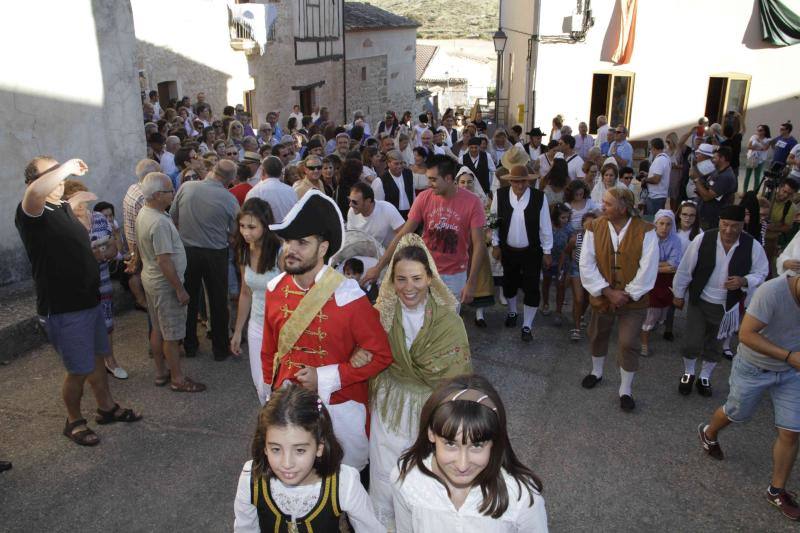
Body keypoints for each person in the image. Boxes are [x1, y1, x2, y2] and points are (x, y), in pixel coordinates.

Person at [260, 190, 393, 470]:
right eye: (287, 242)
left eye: (302, 243)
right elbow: (269, 352)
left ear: (323, 249)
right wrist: (270, 396)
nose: (291, 250)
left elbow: (381, 354)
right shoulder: (275, 290)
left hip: (340, 407)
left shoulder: (350, 297)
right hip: (289, 404)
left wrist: (325, 377)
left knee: (345, 483)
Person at [16, 156, 142, 446]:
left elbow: (74, 247)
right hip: (63, 307)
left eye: (59, 171)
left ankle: (106, 408)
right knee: (79, 369)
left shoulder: (61, 208)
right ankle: (73, 421)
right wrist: (68, 168)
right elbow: (35, 193)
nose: (59, 177)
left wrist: (99, 253)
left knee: (99, 358)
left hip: (89, 299)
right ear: (33, 181)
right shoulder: (32, 211)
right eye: (52, 173)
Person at [366, 235, 472, 528]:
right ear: (392, 280)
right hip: (389, 406)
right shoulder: (382, 316)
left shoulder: (449, 322)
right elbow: (366, 355)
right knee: (386, 473)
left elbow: (457, 376)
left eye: (416, 278)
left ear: (429, 278)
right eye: (401, 279)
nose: (408, 287)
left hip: (432, 409)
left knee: (426, 474)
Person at [697, 274, 800, 522]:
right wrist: (787, 356)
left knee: (791, 431)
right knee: (736, 412)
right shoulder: (771, 292)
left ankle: (776, 491)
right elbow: (746, 334)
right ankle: (709, 432)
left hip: (791, 373)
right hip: (754, 368)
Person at [391, 374, 547, 532]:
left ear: (495, 440)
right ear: (431, 433)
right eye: (451, 444)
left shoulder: (521, 498)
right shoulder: (407, 480)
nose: (462, 465)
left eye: (477, 446)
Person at [233, 384, 383, 532]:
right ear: (265, 447)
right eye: (276, 449)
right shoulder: (252, 478)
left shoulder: (344, 483)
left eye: (299, 450)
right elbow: (245, 529)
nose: (287, 463)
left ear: (319, 448)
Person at [362, 155, 487, 311]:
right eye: (428, 179)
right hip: (423, 271)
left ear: (448, 178)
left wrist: (472, 282)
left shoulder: (473, 202)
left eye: (433, 179)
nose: (429, 184)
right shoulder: (424, 198)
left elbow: (479, 244)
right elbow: (402, 235)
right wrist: (379, 267)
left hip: (455, 275)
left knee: (447, 327)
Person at [672, 205, 769, 397]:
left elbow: (762, 272)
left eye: (735, 226)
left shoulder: (752, 245)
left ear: (743, 224)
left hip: (727, 306)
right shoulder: (703, 239)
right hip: (700, 300)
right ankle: (689, 372)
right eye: (725, 225)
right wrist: (678, 294)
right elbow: (685, 269)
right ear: (719, 222)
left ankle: (705, 376)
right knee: (692, 341)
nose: (729, 230)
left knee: (715, 345)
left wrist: (744, 281)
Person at [579, 188, 659, 412]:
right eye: (604, 203)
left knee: (627, 343)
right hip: (602, 296)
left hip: (633, 300)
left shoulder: (646, 231)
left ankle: (625, 389)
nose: (602, 207)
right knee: (597, 334)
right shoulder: (593, 227)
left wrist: (628, 293)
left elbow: (649, 267)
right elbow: (586, 263)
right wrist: (607, 291)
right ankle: (597, 372)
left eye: (608, 204)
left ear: (623, 208)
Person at [136, 172, 206, 392]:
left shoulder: (145, 213)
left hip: (151, 280)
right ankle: (177, 378)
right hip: (165, 285)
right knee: (173, 335)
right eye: (169, 191)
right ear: (157, 195)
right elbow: (164, 260)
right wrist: (179, 289)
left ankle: (160, 372)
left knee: (157, 328)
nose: (173, 194)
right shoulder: (159, 222)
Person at [170, 160, 239, 360]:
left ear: (212, 171)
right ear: (230, 180)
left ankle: (190, 345)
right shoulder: (228, 198)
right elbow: (235, 232)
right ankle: (220, 348)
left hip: (188, 250)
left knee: (189, 299)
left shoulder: (186, 187)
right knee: (218, 301)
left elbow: (173, 217)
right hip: (215, 253)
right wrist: (224, 236)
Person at [62, 180, 127, 380]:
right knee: (83, 327)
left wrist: (104, 253)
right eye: (77, 202)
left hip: (102, 279)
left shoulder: (99, 218)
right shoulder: (65, 223)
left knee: (107, 323)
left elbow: (113, 248)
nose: (82, 207)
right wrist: (93, 254)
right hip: (79, 285)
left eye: (84, 201)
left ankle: (110, 361)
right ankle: (89, 367)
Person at [491, 165, 553, 341]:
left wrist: (547, 251)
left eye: (523, 181)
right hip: (508, 250)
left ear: (529, 181)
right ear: (510, 181)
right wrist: (495, 244)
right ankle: (512, 312)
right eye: (516, 182)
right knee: (509, 284)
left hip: (532, 251)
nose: (519, 185)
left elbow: (545, 226)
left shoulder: (539, 198)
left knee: (532, 287)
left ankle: (527, 325)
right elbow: (494, 221)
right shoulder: (500, 195)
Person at [230, 199, 282, 405]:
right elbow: (245, 292)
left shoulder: (282, 252)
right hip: (257, 327)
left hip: (281, 327)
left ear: (265, 225)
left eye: (252, 227)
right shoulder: (243, 250)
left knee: (278, 385)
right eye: (242, 226)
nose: (246, 232)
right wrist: (237, 331)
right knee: (260, 384)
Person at [639, 210, 681, 356]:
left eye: (668, 224)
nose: (665, 227)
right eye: (661, 223)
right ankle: (644, 343)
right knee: (651, 313)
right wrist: (663, 266)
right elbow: (643, 262)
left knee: (662, 311)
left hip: (665, 281)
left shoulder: (675, 240)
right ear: (655, 224)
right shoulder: (648, 237)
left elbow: (674, 265)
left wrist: (654, 266)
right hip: (650, 281)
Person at [564, 211, 598, 341]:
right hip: (577, 269)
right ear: (582, 224)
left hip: (593, 271)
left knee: (588, 299)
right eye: (587, 223)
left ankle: (580, 315)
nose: (589, 226)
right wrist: (565, 268)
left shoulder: (600, 239)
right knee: (578, 299)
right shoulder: (576, 238)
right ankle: (576, 328)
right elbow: (566, 251)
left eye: (592, 223)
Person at [540, 203, 574, 326]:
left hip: (563, 261)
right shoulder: (547, 227)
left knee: (561, 286)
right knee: (546, 282)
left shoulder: (569, 229)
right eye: (562, 217)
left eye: (567, 218)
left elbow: (571, 246)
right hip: (548, 259)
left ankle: (559, 311)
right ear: (555, 217)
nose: (565, 220)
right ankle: (545, 303)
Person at [346, 182, 404, 249]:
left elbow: (404, 234)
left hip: (388, 252)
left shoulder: (387, 209)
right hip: (365, 252)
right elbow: (351, 238)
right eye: (349, 200)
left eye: (355, 202)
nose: (350, 205)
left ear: (368, 201)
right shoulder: (351, 212)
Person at [693, 146, 738, 229]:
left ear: (722, 159)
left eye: (714, 158)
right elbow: (707, 187)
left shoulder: (726, 177)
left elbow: (707, 197)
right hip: (705, 214)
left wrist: (696, 179)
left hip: (712, 219)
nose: (712, 160)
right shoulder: (717, 171)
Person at [764, 179, 800, 277]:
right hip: (756, 234)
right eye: (784, 191)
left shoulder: (791, 208)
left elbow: (787, 228)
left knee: (766, 265)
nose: (785, 195)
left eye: (789, 194)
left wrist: (772, 228)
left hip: (770, 240)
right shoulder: (766, 196)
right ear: (779, 187)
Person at [246, 156, 297, 223]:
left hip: (267, 231)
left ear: (263, 171)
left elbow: (248, 219)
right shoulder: (291, 191)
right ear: (280, 172)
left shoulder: (255, 192)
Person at [373, 150, 415, 218]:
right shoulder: (380, 180)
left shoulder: (408, 173)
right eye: (396, 163)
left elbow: (413, 194)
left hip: (409, 213)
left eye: (401, 163)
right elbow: (378, 204)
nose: (399, 166)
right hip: (391, 216)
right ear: (388, 163)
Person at [643, 138, 671, 214]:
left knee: (653, 220)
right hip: (658, 196)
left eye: (650, 148)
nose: (650, 151)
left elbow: (656, 179)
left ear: (654, 148)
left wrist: (645, 179)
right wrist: (647, 174)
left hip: (656, 197)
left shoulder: (660, 160)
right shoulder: (664, 158)